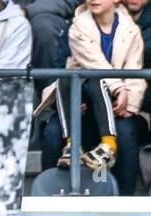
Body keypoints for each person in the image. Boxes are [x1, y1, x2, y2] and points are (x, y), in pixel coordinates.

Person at [38, 0, 146, 193]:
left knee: (127, 133)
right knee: (52, 133)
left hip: (115, 105)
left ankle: (126, 201)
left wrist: (129, 101)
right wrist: (118, 89)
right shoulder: (78, 26)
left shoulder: (131, 30)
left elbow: (134, 71)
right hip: (82, 103)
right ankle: (50, 199)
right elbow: (94, 65)